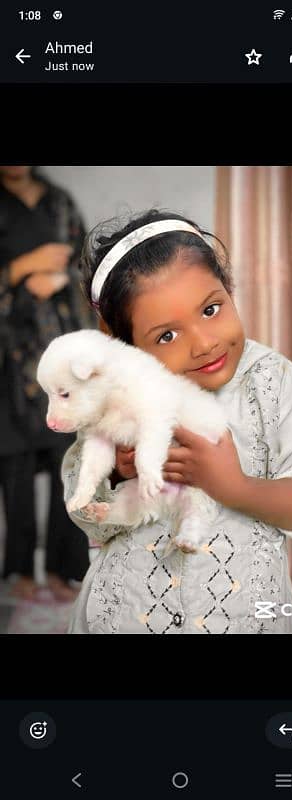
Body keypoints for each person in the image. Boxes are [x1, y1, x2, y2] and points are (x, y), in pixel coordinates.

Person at [62, 208, 292, 633]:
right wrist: (115, 473)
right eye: (166, 335)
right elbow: (84, 512)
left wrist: (235, 487)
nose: (203, 343)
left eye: (211, 309)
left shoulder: (271, 380)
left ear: (229, 289)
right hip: (125, 615)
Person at [0, 165, 97, 601]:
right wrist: (21, 271)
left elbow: (89, 271)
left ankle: (65, 570)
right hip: (7, 361)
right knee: (15, 466)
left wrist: (62, 281)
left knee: (69, 462)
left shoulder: (59, 204)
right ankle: (18, 572)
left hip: (60, 356)